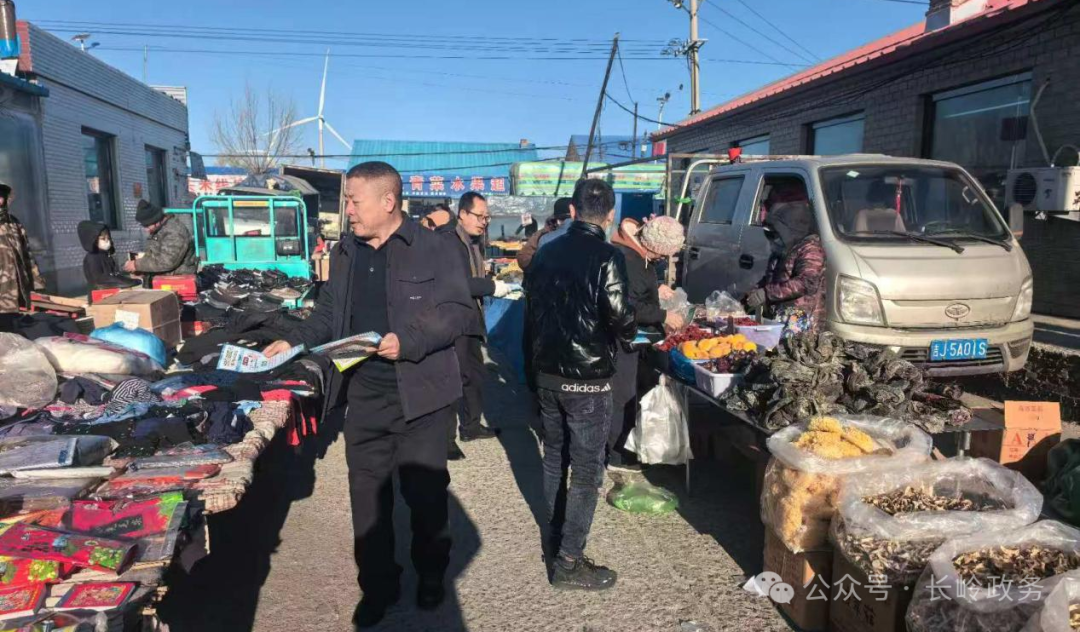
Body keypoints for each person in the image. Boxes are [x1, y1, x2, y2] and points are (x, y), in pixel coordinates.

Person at [263, 162, 472, 628]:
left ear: (388, 201)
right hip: (364, 395)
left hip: (422, 397)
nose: (349, 211)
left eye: (355, 201)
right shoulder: (346, 252)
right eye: (347, 202)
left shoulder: (435, 248)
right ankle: (378, 586)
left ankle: (431, 574)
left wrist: (410, 340)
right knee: (368, 500)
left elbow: (458, 311)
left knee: (425, 496)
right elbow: (329, 313)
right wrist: (294, 340)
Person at [525, 178, 635, 590]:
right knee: (587, 471)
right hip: (588, 378)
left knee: (555, 457)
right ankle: (569, 562)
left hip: (547, 373)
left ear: (572, 211)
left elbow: (531, 311)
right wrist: (631, 331)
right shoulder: (608, 256)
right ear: (611, 216)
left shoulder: (545, 252)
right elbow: (620, 315)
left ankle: (557, 538)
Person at [607, 215, 686, 471]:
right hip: (622, 338)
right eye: (661, 255)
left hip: (633, 337)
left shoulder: (636, 254)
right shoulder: (627, 260)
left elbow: (637, 290)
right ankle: (617, 454)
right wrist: (663, 315)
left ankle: (629, 446)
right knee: (623, 395)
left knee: (631, 390)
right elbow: (626, 305)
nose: (661, 259)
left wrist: (656, 288)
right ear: (652, 246)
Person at [744, 201, 827, 334]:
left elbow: (806, 282)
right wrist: (753, 292)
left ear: (790, 231)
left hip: (800, 319)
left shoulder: (811, 250)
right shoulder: (783, 249)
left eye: (776, 234)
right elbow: (772, 277)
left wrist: (767, 293)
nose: (773, 239)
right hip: (780, 315)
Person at [0, 180, 45, 333]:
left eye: (2, 196)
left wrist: (37, 284)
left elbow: (27, 255)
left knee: (15, 333)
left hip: (16, 294)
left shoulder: (14, 223)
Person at [122, 200, 197, 277]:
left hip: (178, 279)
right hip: (165, 277)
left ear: (156, 221)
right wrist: (142, 269)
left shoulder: (175, 232)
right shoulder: (159, 230)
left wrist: (137, 265)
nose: (146, 229)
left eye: (147, 225)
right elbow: (154, 254)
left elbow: (167, 262)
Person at [77, 221, 140, 290]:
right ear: (94, 240)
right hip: (99, 293)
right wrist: (125, 282)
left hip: (110, 291)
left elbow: (114, 275)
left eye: (108, 238)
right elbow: (100, 279)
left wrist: (128, 281)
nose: (107, 241)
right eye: (103, 239)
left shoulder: (106, 255)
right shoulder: (93, 258)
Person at [516, 197, 574, 271]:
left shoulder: (545, 238)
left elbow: (524, 260)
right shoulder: (587, 236)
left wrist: (545, 230)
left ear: (556, 219)